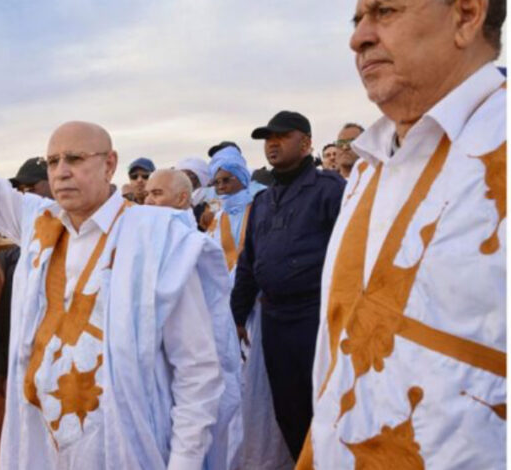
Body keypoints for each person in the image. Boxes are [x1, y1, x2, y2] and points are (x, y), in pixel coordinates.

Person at [0, 40, 241, 470]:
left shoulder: (157, 237)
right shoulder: (39, 224)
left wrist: (183, 464)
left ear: (109, 164)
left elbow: (198, 371)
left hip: (125, 450)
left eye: (74, 158)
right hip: (42, 446)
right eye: (52, 161)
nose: (61, 171)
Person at [299, 1, 506, 468]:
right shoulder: (369, 169)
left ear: (466, 16)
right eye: (357, 20)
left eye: (385, 11)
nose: (358, 38)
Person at [231, 110, 345, 462]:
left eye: (281, 136)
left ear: (306, 143)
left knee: (324, 406)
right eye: (268, 138)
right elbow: (249, 262)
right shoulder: (263, 202)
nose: (272, 144)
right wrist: (237, 315)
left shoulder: (329, 190)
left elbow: (349, 253)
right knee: (288, 408)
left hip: (316, 317)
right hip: (275, 320)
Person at [0, 158, 53, 396]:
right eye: (20, 191)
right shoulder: (18, 252)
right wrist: (3, 364)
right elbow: (7, 314)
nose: (24, 197)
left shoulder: (86, 246)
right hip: (27, 369)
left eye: (31, 188)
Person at [205, 146, 265, 282]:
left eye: (226, 180)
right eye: (216, 182)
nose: (221, 186)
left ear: (241, 177)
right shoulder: (219, 214)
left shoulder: (260, 205)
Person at [175, 157, 213, 230]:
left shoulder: (212, 194)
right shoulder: (176, 197)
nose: (186, 178)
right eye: (182, 175)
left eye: (190, 174)